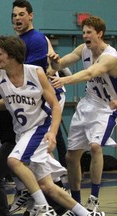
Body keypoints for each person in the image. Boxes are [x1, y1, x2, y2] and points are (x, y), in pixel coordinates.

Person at [0, 35, 105, 216]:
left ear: (11, 55)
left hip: (40, 128)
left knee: (13, 161)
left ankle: (43, 207)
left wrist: (53, 133)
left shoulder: (35, 72)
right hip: (22, 133)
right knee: (47, 186)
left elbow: (55, 105)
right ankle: (85, 214)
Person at [48, 15, 117, 213]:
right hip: (87, 104)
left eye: (89, 32)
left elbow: (89, 73)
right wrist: (54, 62)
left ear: (100, 33)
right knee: (71, 157)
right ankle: (76, 203)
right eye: (83, 32)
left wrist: (65, 81)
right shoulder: (83, 49)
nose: (85, 35)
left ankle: (94, 198)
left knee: (95, 146)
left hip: (106, 108)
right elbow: (61, 64)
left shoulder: (110, 56)